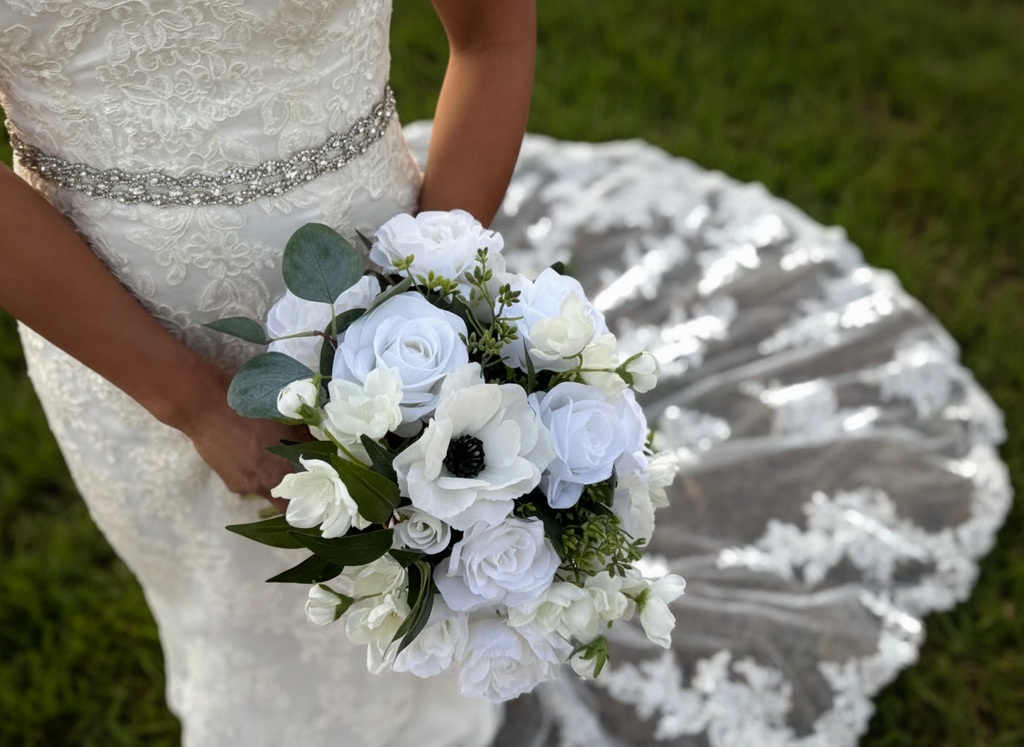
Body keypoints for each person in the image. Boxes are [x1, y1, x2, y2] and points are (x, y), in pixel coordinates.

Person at [0, 1, 1013, 746]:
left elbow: (493, 31)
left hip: (391, 282)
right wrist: (183, 399)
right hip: (114, 339)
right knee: (234, 607)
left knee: (429, 564)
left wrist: (423, 305)